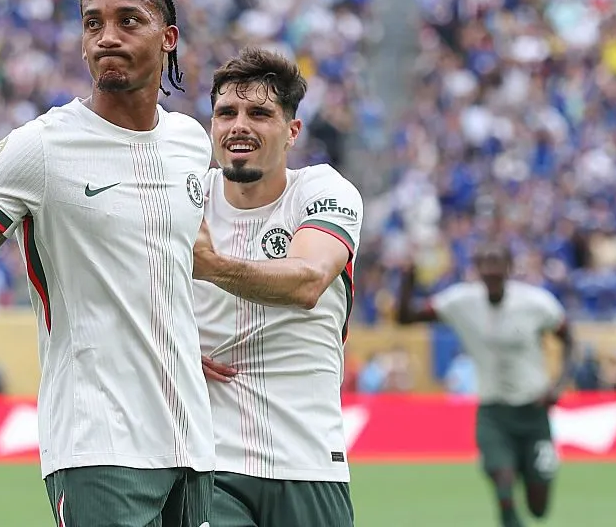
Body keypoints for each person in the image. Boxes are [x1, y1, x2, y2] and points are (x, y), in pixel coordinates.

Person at [0, 0, 214, 527]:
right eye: (93, 23)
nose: (107, 36)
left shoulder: (190, 142)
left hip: (192, 445)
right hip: (99, 446)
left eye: (127, 20)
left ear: (168, 40)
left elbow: (174, 268)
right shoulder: (40, 147)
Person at [192, 47, 361, 527]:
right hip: (210, 462)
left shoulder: (324, 191)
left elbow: (307, 280)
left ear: (292, 131)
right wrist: (166, 341)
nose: (238, 125)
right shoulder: (184, 197)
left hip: (308, 461)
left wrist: (210, 265)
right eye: (226, 112)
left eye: (259, 113)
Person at [397, 243, 576, 527]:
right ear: (477, 269)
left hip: (534, 412)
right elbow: (405, 318)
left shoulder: (536, 303)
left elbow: (568, 337)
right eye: (485, 263)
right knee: (503, 484)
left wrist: (558, 384)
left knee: (538, 506)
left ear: (508, 267)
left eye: (497, 263)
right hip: (494, 413)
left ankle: (527, 472)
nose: (491, 270)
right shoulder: (461, 301)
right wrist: (408, 279)